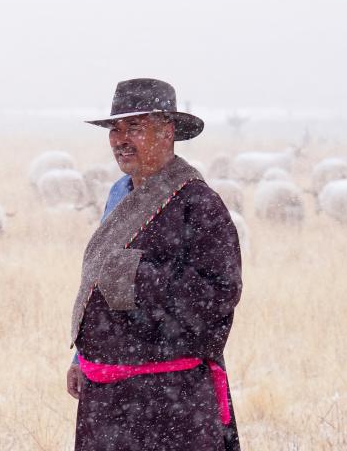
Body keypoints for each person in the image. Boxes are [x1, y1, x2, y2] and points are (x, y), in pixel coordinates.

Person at [67, 78, 242, 451]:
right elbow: (100, 280)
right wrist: (83, 358)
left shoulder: (199, 203)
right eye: (114, 129)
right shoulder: (119, 193)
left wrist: (136, 277)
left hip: (168, 402)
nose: (120, 139)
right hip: (108, 399)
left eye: (134, 127)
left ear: (167, 132)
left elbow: (219, 294)